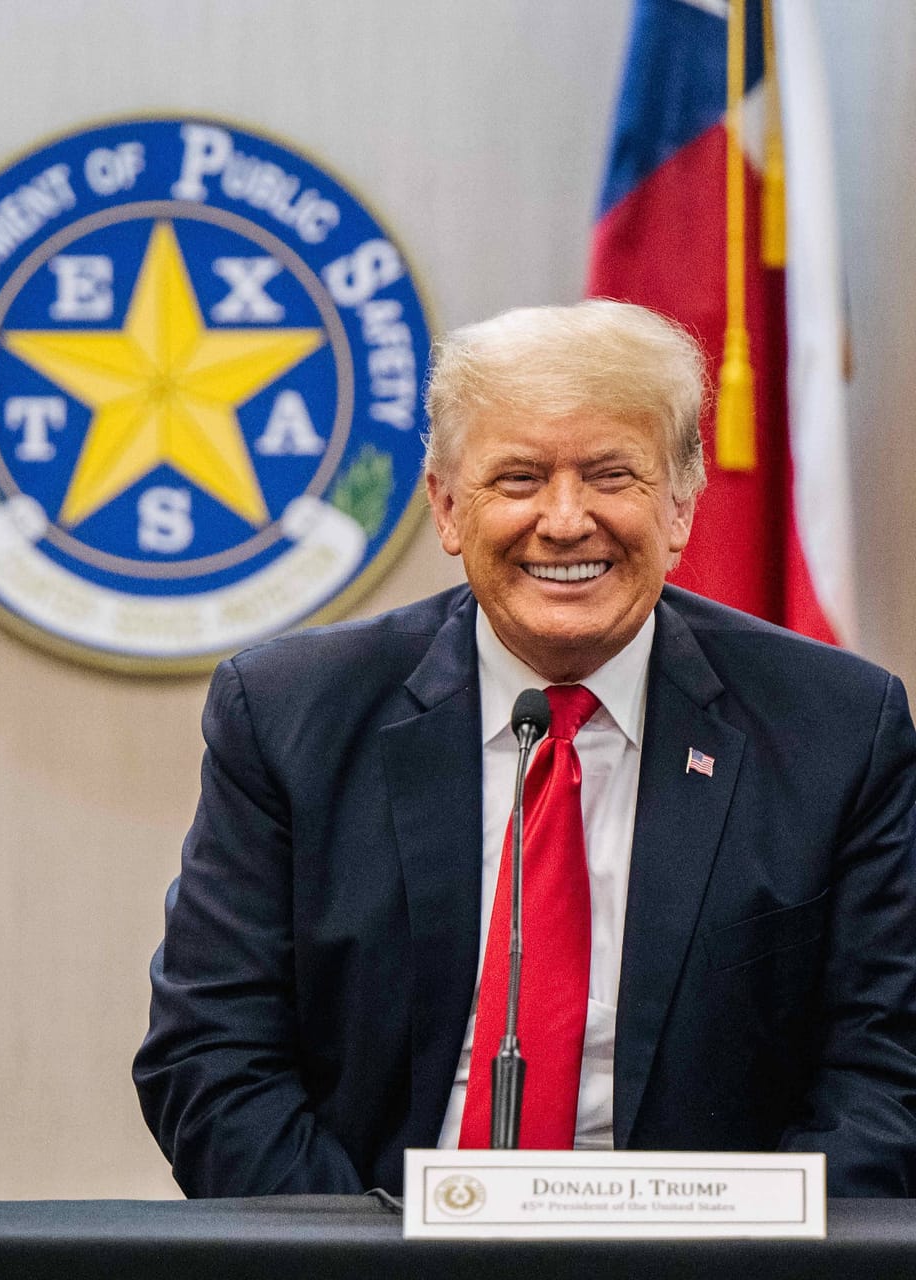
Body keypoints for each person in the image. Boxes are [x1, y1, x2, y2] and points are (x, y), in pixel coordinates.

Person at [134, 300, 916, 1197]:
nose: (565, 519)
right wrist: (356, 1270)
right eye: (518, 479)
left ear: (681, 504)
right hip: (374, 1258)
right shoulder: (286, 714)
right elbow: (213, 1059)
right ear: (447, 505)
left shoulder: (839, 728)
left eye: (612, 475)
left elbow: (886, 1074)